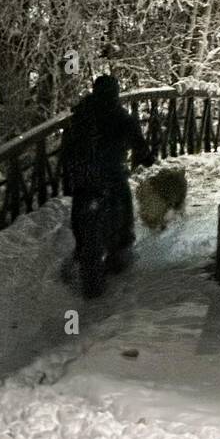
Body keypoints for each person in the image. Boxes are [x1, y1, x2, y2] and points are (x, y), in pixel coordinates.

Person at [59, 74, 154, 296]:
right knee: (124, 198)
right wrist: (147, 157)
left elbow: (67, 147)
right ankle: (123, 242)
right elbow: (138, 144)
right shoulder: (120, 116)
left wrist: (68, 175)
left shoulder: (81, 113)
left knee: (80, 208)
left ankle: (80, 245)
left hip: (83, 175)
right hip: (111, 174)